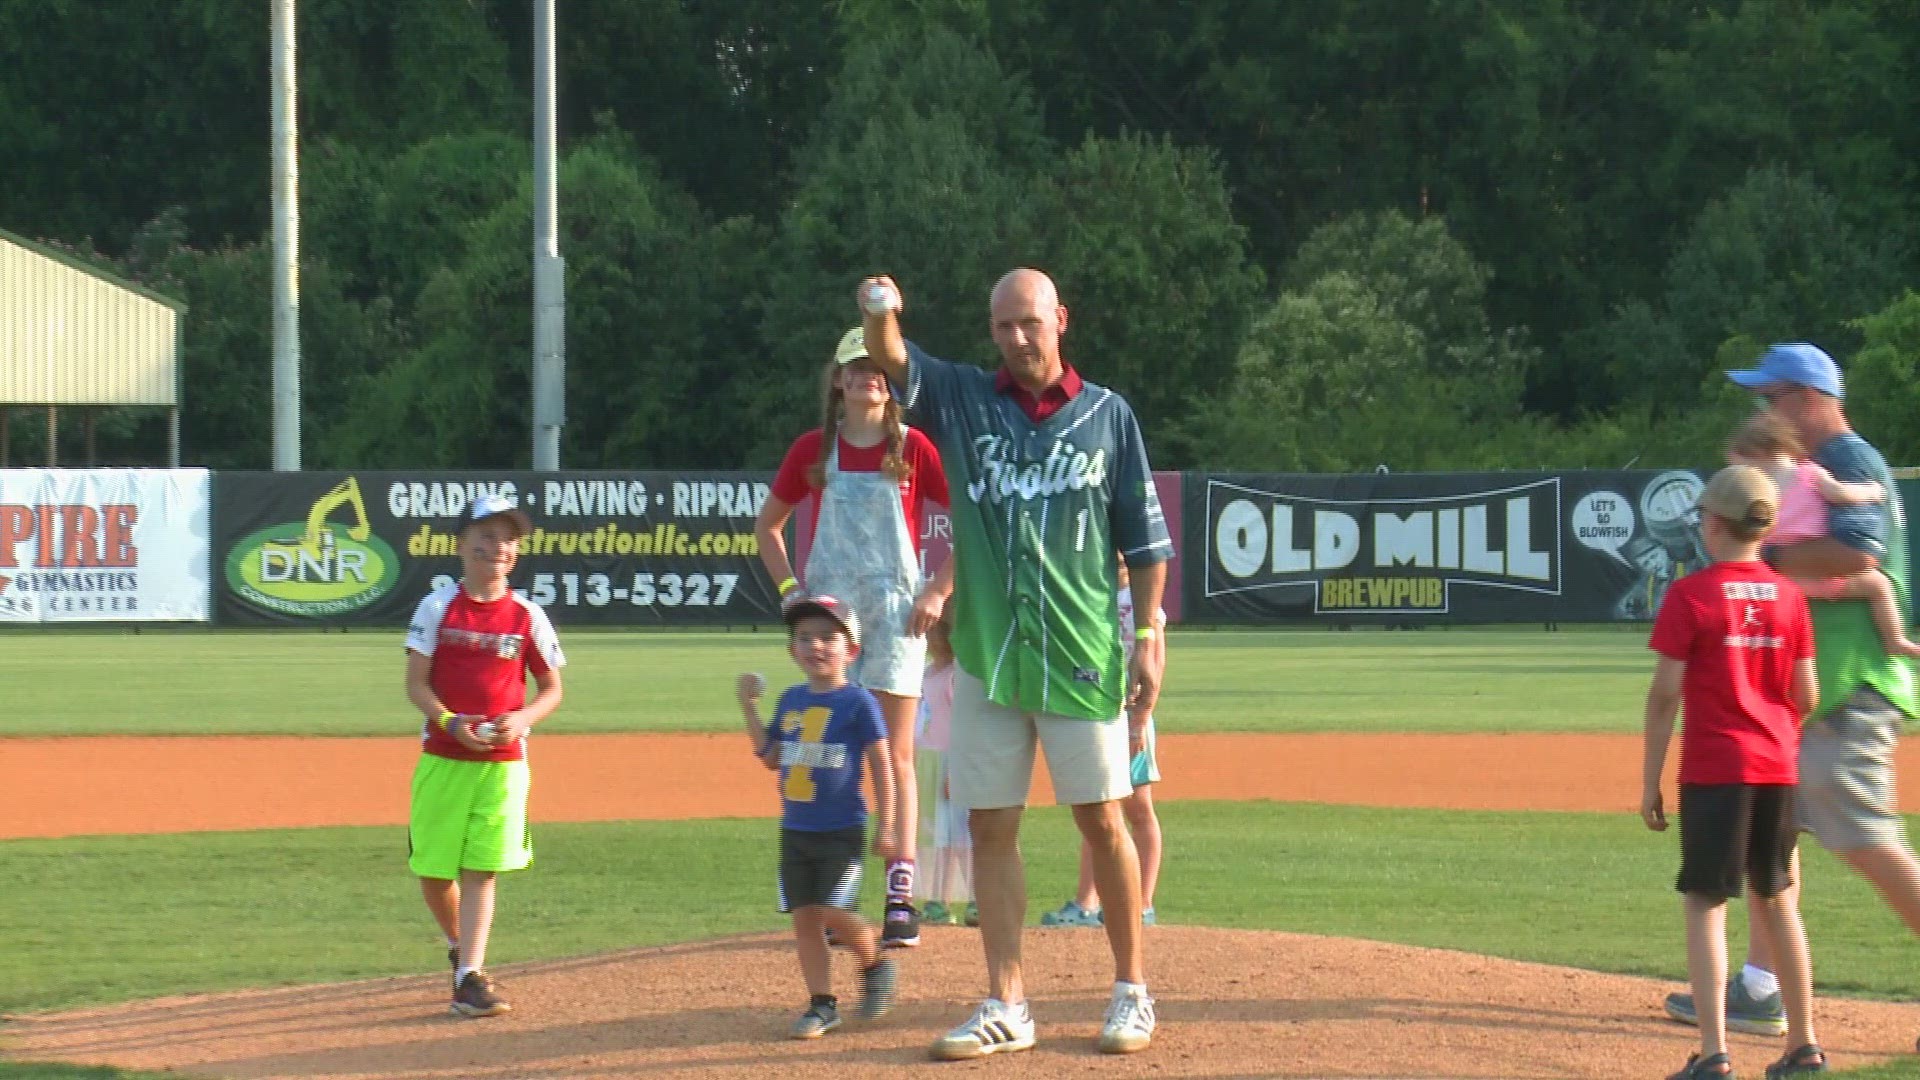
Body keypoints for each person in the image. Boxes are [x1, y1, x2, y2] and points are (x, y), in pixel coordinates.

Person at [857, 268, 1173, 1059]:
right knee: (990, 827)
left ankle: (1132, 990)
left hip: (1080, 658)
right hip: (991, 659)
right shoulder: (965, 400)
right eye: (1003, 327)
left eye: (1030, 323)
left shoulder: (1109, 417)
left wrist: (1150, 633)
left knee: (1102, 819)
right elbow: (890, 355)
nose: (1018, 339)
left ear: (1060, 319)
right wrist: (880, 306)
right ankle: (1008, 1002)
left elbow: (1145, 538)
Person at [1665, 342, 1920, 1048]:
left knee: (1868, 839)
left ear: (1806, 398)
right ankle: (1759, 987)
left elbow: (1857, 556)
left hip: (1851, 685)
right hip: (1813, 692)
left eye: (1769, 397)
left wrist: (1760, 557)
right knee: (1778, 844)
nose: (1763, 411)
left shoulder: (1845, 461)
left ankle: (1758, 987)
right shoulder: (1821, 467)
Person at [756, 326, 952, 949]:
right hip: (834, 615)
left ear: (892, 383)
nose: (868, 376)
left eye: (877, 368)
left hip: (896, 614)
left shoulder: (914, 448)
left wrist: (938, 590)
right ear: (837, 381)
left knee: (895, 754)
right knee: (837, 753)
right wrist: (792, 593)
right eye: (855, 367)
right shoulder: (813, 450)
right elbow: (769, 529)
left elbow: (971, 522)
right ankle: (842, 891)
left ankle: (901, 891)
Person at [1641, 465, 1823, 1080]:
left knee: (1706, 902)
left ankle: (1716, 1053)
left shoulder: (1691, 595)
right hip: (1777, 768)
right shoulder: (1790, 594)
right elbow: (1807, 692)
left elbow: (1664, 695)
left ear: (1714, 524)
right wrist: (1772, 718)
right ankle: (1804, 1046)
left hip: (1718, 767)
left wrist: (1649, 782)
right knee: (1777, 903)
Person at [404, 494, 565, 1018]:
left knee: (483, 870)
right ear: (461, 545)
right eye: (488, 535)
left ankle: (470, 973)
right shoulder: (437, 607)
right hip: (444, 757)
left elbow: (551, 689)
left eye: (508, 538)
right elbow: (416, 686)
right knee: (434, 874)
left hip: (503, 764)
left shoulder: (527, 615)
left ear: (516, 555)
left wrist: (521, 720)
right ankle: (461, 953)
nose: (498, 546)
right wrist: (450, 720)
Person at [737, 593, 900, 1039]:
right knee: (805, 918)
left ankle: (875, 963)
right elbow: (771, 757)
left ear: (852, 649)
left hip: (842, 829)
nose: (817, 646)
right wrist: (749, 708)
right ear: (793, 650)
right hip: (796, 829)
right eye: (805, 638)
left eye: (829, 637)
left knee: (833, 908)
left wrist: (887, 824)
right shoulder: (790, 699)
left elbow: (882, 769)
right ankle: (822, 1004)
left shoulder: (858, 702)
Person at [1727, 410, 1920, 658]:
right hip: (1821, 567)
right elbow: (1842, 494)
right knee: (1879, 586)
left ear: (1756, 455)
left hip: (1784, 577)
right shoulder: (1810, 474)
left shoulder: (1761, 492)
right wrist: (1872, 492)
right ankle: (1895, 641)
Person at [1043, 555, 1165, 928]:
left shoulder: (1143, 607)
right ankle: (1088, 902)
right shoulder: (1093, 597)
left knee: (1138, 809)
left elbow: (1155, 666)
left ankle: (1142, 904)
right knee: (1097, 805)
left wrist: (1139, 722)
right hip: (1098, 711)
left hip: (1130, 714)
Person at [914, 607, 976, 927]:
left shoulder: (956, 675)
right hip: (929, 760)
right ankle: (938, 899)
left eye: (939, 632)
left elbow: (966, 724)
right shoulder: (926, 673)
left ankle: (977, 898)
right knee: (935, 835)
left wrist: (959, 768)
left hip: (952, 760)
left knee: (961, 834)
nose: (933, 638)